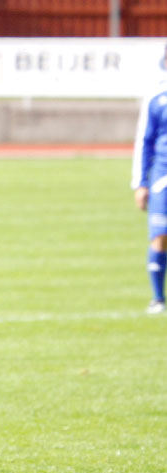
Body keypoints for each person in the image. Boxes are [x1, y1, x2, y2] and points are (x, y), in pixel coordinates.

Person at [132, 43, 167, 314]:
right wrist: (140, 183)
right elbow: (144, 140)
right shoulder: (156, 95)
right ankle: (157, 298)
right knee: (160, 235)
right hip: (162, 177)